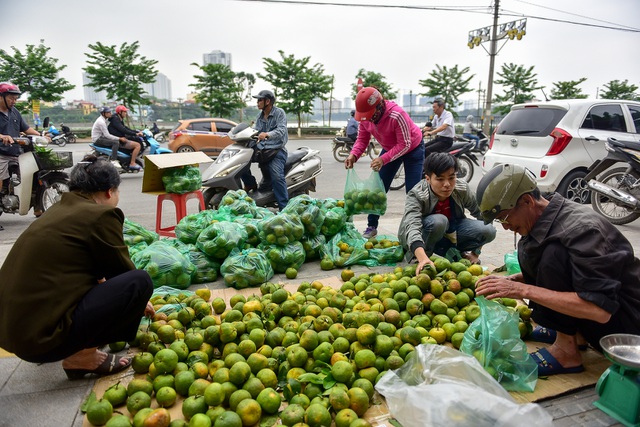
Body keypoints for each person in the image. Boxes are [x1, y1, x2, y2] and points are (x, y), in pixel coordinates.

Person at [474, 163, 640, 376]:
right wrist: (523, 279)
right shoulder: (550, 215)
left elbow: (598, 310)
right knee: (544, 252)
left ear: (527, 201)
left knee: (553, 254)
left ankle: (566, 351)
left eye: (504, 218)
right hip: (603, 317)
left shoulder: (582, 230)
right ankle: (575, 335)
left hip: (627, 326)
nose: (505, 227)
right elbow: (575, 272)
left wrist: (522, 291)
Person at [0, 155, 154, 380]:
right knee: (140, 282)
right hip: (39, 340)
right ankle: (82, 356)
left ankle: (73, 348)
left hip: (11, 331)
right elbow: (124, 274)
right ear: (110, 191)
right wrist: (142, 302)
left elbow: (86, 268)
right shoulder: (101, 214)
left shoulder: (58, 209)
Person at [345, 86, 425, 239]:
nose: (368, 119)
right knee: (377, 189)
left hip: (413, 148)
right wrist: (353, 155)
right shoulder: (365, 119)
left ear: (380, 106)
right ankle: (371, 226)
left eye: (370, 114)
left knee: (413, 193)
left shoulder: (396, 115)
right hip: (390, 148)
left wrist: (383, 159)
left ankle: (415, 229)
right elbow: (362, 139)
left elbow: (405, 144)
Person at [398, 152, 496, 272]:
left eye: (451, 177)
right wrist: (422, 258)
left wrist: (476, 253)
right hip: (424, 234)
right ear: (428, 178)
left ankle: (454, 250)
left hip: (450, 232)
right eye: (440, 179)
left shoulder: (461, 189)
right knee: (439, 221)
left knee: (488, 230)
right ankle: (419, 258)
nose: (447, 185)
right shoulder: (417, 194)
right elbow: (412, 226)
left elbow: (484, 216)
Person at [0, 82, 46, 228]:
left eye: (15, 98)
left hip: (16, 152)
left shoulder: (15, 112)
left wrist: (42, 135)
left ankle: (37, 206)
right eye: (11, 98)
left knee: (35, 172)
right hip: (1, 154)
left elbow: (26, 129)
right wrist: (2, 136)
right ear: (1, 97)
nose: (14, 101)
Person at [241, 90, 289, 210]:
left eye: (260, 100)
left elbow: (281, 130)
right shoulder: (260, 116)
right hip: (263, 150)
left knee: (277, 177)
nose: (257, 102)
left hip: (276, 151)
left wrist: (267, 134)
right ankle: (250, 182)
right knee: (240, 160)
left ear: (268, 101)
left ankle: (285, 209)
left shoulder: (279, 113)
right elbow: (255, 131)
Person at [90, 107, 137, 171]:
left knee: (115, 140)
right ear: (103, 114)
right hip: (98, 139)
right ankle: (113, 160)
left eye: (110, 112)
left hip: (101, 137)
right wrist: (119, 138)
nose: (110, 114)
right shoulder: (101, 122)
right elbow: (107, 135)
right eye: (108, 112)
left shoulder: (104, 120)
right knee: (115, 142)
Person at [106, 105, 143, 171]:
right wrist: (135, 134)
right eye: (125, 112)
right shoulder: (115, 119)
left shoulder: (118, 118)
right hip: (118, 140)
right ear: (120, 112)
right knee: (137, 145)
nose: (126, 113)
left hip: (120, 138)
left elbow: (125, 128)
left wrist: (136, 131)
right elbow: (123, 130)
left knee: (134, 139)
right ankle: (132, 163)